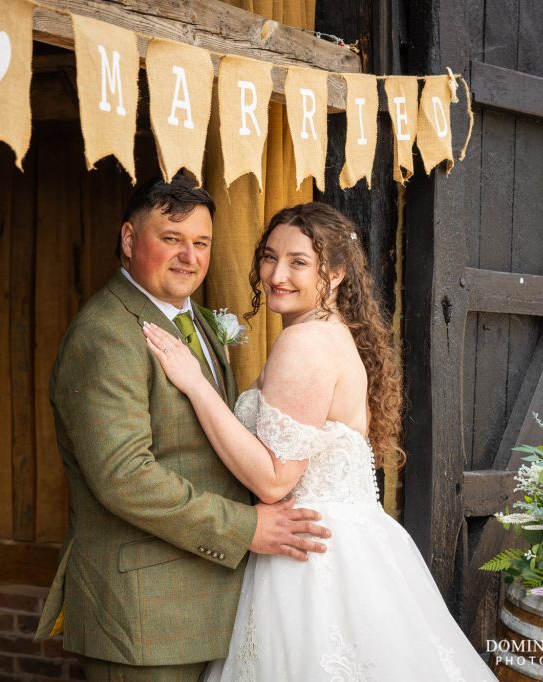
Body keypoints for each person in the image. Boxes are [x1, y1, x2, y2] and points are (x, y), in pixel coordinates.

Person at [142, 203, 497, 680]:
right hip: (344, 546)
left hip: (307, 558)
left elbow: (274, 480)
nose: (276, 274)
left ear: (334, 274)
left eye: (298, 262)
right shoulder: (332, 332)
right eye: (269, 257)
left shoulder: (305, 342)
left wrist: (194, 381)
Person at [35, 174, 332, 681]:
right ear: (129, 240)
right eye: (171, 239)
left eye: (201, 243)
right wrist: (246, 528)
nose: (188, 257)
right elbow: (125, 477)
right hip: (144, 618)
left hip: (209, 601)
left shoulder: (191, 320)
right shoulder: (106, 334)